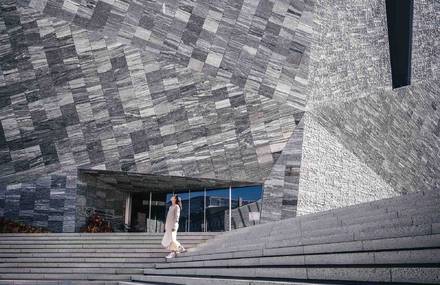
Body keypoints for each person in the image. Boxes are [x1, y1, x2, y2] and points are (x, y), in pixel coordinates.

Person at [161, 194, 186, 258]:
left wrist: (174, 226)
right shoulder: (170, 207)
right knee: (170, 239)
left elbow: (176, 217)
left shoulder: (176, 207)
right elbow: (168, 217)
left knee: (172, 239)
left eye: (173, 197)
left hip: (173, 225)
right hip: (169, 226)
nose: (171, 197)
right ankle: (181, 248)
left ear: (175, 199)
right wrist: (166, 226)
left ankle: (172, 253)